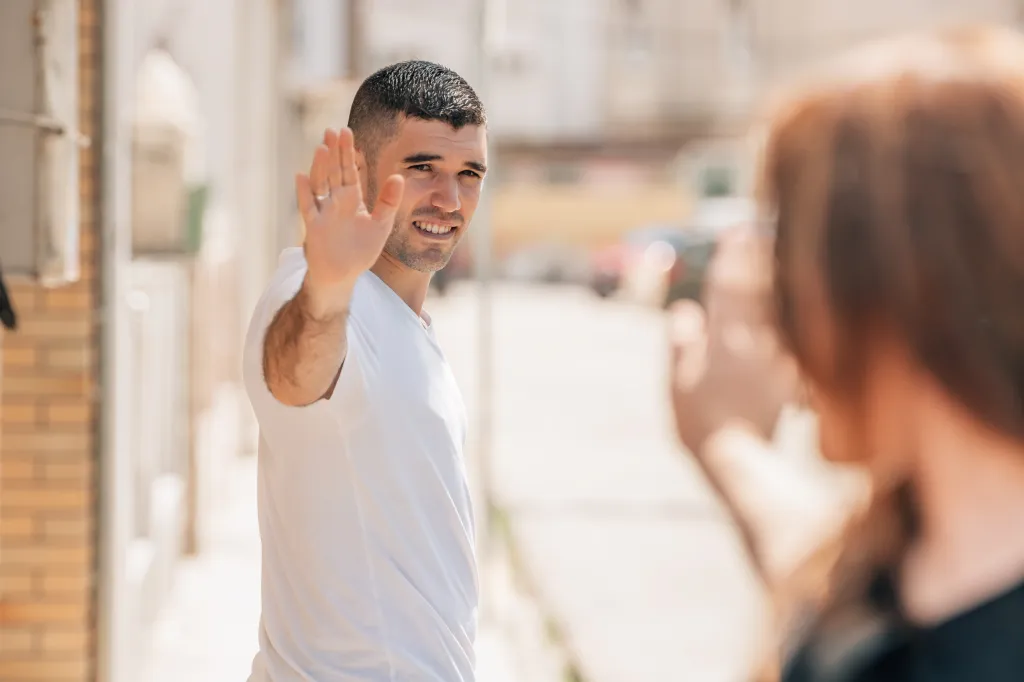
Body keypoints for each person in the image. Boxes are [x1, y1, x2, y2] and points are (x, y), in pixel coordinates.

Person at [669, 26, 1024, 682]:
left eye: (790, 255)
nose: (780, 314)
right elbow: (826, 579)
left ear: (881, 285)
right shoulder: (929, 541)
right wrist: (727, 440)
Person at [242, 60, 488, 682]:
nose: (449, 199)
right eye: (423, 168)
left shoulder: (410, 326)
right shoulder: (310, 298)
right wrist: (327, 285)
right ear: (360, 168)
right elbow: (297, 375)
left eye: (469, 174)